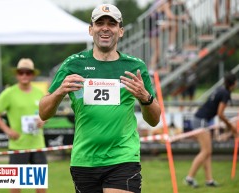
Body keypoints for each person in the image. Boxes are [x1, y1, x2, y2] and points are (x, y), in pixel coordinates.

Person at [39, 4, 161, 193]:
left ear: (120, 31)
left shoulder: (136, 67)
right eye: (99, 23)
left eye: (111, 24)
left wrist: (145, 97)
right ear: (91, 29)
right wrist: (59, 92)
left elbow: (154, 120)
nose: (105, 28)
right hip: (85, 160)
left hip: (123, 157)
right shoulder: (73, 64)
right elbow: (43, 112)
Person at [0, 58, 47, 193]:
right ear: (17, 74)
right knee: (15, 187)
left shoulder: (39, 92)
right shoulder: (9, 93)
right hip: (18, 146)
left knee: (41, 187)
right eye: (21, 72)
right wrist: (7, 130)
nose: (24, 75)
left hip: (38, 145)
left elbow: (46, 113)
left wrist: (44, 120)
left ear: (33, 74)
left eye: (28, 72)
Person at [185, 72, 238, 188]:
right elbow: (220, 114)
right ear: (233, 84)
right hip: (201, 120)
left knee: (207, 151)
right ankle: (189, 177)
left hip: (199, 118)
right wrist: (232, 127)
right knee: (206, 151)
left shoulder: (221, 89)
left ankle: (209, 180)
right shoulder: (226, 93)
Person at [148, 0, 188, 71]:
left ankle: (151, 69)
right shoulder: (164, 3)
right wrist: (181, 18)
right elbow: (170, 16)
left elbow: (177, 2)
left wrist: (182, 3)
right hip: (154, 26)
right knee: (157, 52)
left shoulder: (163, 2)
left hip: (154, 25)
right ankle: (170, 49)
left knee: (157, 52)